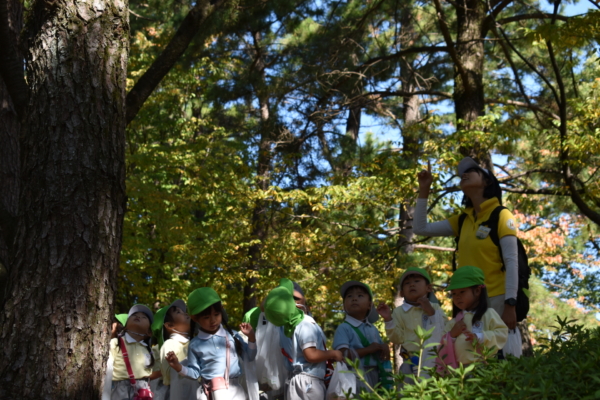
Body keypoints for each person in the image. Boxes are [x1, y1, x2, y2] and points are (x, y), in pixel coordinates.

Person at [413, 158, 520, 338]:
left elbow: (511, 261)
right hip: (468, 303)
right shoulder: (463, 220)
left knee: (498, 358)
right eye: (463, 172)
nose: (464, 174)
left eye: (472, 171)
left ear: (487, 182)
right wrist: (424, 189)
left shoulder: (501, 215)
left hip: (497, 299)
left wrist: (510, 304)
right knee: (469, 357)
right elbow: (420, 228)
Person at [166, 287, 256, 400]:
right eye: (206, 317)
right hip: (210, 394)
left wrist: (251, 338)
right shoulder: (195, 344)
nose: (213, 320)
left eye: (216, 314)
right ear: (194, 318)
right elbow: (195, 373)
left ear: (222, 311)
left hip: (235, 392)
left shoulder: (232, 335)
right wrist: (178, 367)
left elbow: (250, 356)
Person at [264, 280, 343, 400]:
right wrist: (333, 353)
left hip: (300, 382)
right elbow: (310, 355)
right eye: (290, 299)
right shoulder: (305, 323)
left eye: (295, 298)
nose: (294, 301)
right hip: (308, 383)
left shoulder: (291, 326)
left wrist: (325, 356)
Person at [377, 267, 446, 378]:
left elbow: (444, 330)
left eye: (417, 281)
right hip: (409, 362)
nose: (412, 285)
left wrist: (431, 312)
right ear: (402, 293)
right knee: (407, 393)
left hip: (434, 360)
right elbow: (397, 339)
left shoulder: (435, 307)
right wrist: (388, 319)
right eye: (407, 283)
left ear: (428, 288)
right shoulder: (398, 312)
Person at [438, 266, 508, 370]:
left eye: (462, 292)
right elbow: (441, 345)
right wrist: (452, 335)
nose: (457, 297)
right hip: (460, 370)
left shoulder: (488, 314)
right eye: (454, 294)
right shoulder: (453, 322)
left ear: (477, 291)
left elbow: (502, 333)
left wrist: (480, 337)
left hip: (485, 366)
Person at [333, 281, 389, 391]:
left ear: (369, 305)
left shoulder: (373, 329)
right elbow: (342, 355)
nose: (354, 299)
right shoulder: (344, 328)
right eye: (349, 296)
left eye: (360, 295)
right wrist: (368, 350)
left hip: (375, 375)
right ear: (344, 305)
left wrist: (384, 348)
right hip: (353, 376)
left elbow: (380, 353)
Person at [107, 305, 159, 400]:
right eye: (134, 315)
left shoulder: (148, 349)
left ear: (149, 332)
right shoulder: (116, 343)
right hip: (120, 389)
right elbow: (107, 369)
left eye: (144, 317)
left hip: (144, 390)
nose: (138, 316)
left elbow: (150, 373)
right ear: (125, 326)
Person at [152, 299, 198, 400]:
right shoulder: (169, 344)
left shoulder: (194, 343)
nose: (185, 313)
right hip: (177, 394)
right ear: (169, 325)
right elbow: (168, 375)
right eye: (178, 312)